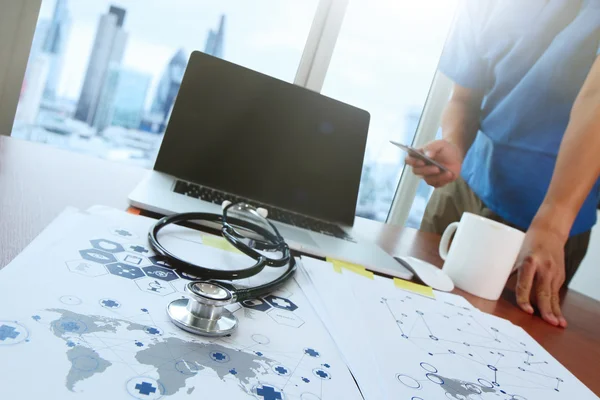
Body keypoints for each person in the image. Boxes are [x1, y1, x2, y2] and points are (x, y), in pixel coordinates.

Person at [406, 0, 600, 328]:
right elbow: (463, 98)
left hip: (549, 226)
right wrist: (454, 145)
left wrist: (553, 224)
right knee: (409, 310)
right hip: (462, 194)